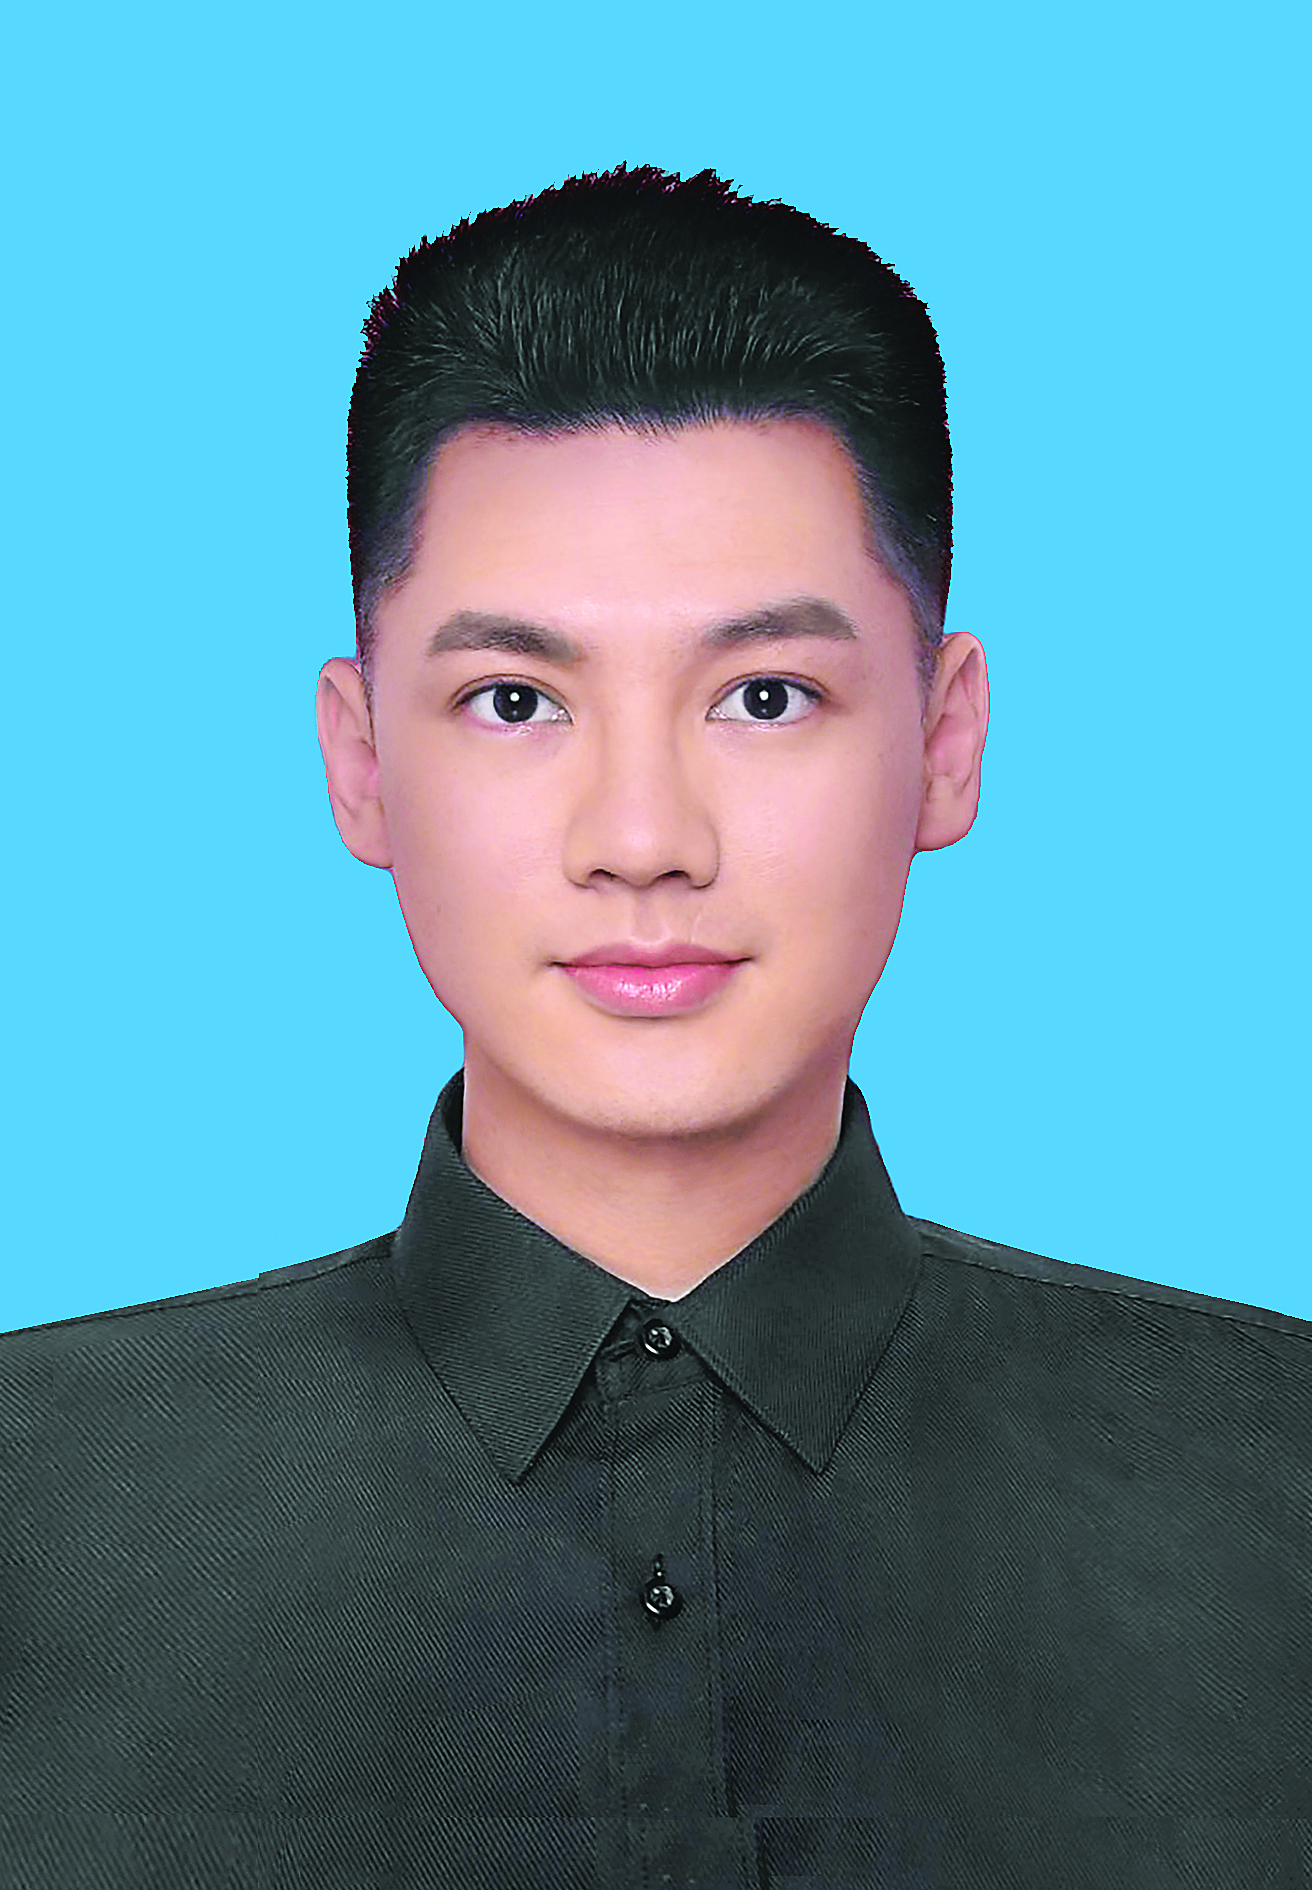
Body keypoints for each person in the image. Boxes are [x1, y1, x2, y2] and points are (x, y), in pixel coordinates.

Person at [2, 165, 1307, 1890]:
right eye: (515, 699)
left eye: (765, 696)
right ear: (362, 760)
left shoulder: (1274, 1488)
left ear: (945, 741)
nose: (642, 836)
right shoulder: (41, 1511)